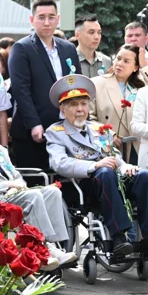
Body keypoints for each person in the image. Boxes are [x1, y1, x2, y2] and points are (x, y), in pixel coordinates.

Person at [0, 110, 76, 268]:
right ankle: (42, 248)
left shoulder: (0, 150)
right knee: (33, 196)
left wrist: (18, 185)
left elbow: (16, 175)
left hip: (12, 195)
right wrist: (8, 186)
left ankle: (53, 244)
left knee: (52, 192)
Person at [46, 74, 148, 256]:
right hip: (84, 184)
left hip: (111, 177)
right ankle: (118, 236)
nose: (80, 109)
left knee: (143, 176)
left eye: (83, 104)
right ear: (62, 109)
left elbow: (113, 155)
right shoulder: (56, 132)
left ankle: (147, 236)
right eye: (74, 105)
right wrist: (94, 165)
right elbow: (59, 163)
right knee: (105, 173)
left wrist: (125, 167)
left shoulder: (98, 128)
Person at [9, 0, 80, 169]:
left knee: (66, 182)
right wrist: (34, 124)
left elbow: (76, 86)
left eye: (51, 17)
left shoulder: (68, 48)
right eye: (41, 17)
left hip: (65, 127)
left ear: (58, 19)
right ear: (32, 20)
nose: (47, 22)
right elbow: (21, 90)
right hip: (34, 130)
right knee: (38, 184)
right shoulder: (22, 48)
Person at [90, 44, 145, 163]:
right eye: (118, 59)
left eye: (126, 61)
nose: (120, 64)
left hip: (138, 146)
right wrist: (109, 134)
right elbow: (89, 118)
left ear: (135, 67)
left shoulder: (141, 87)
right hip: (110, 148)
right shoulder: (97, 84)